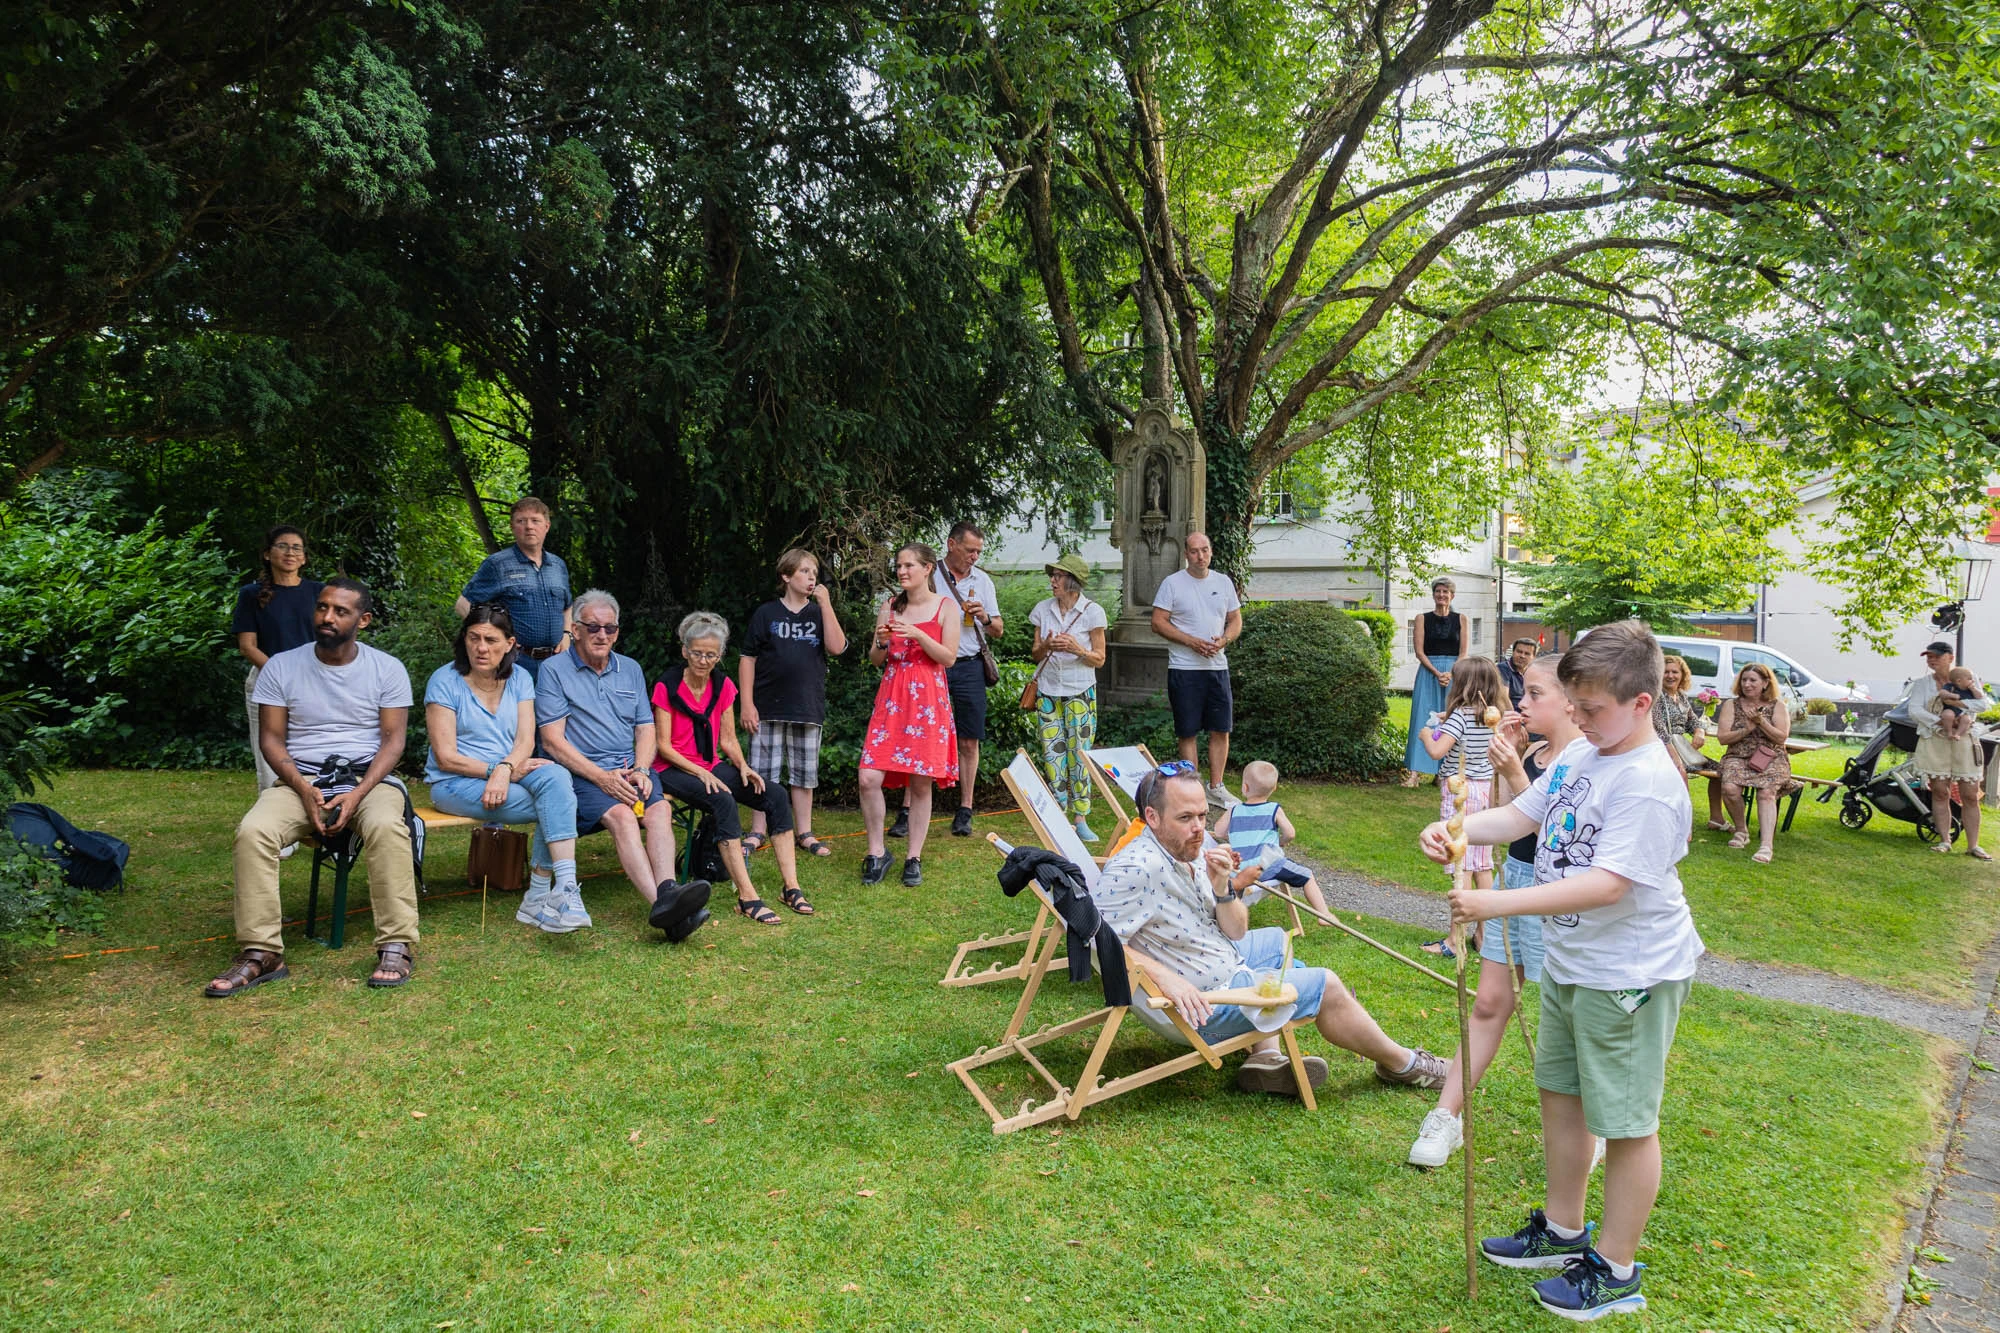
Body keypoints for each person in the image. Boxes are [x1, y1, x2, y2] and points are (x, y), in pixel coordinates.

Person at [1421, 619, 1702, 1320]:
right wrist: (1459, 828)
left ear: (1641, 703)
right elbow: (1523, 814)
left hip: (1629, 974)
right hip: (1575, 964)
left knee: (1626, 1122)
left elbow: (1608, 885)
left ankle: (1616, 1269)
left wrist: (1496, 901)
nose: (1577, 716)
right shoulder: (1584, 756)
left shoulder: (1647, 781)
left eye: (1592, 708)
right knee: (1562, 1095)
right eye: (1572, 704)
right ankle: (1563, 1228)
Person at [1099, 762, 1448, 1096]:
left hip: (1219, 958)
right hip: (1204, 1002)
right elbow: (1098, 940)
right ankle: (1404, 1065)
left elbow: (1236, 931)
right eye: (1185, 818)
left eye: (1203, 816)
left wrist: (1222, 887)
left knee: (1278, 941)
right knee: (1325, 984)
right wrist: (1166, 978)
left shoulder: (1187, 851)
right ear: (1152, 817)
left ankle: (1265, 1056)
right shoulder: (1135, 867)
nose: (1200, 829)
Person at [1409, 653, 1590, 1170]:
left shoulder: (1586, 761)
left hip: (1565, 896)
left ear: (1571, 701)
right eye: (1522, 691)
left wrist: (1510, 768)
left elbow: (1554, 833)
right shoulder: (1532, 752)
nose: (1518, 701)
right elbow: (1514, 820)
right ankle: (1446, 1116)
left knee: (1572, 1018)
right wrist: (1455, 828)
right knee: (1489, 1003)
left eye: (1534, 693)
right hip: (1519, 877)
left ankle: (1593, 1128)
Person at [208, 578, 419, 995]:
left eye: (341, 611)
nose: (327, 617)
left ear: (363, 620)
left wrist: (357, 793)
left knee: (386, 827)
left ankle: (396, 944)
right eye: (322, 607)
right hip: (300, 780)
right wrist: (303, 788)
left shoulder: (387, 668)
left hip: (368, 779)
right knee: (254, 831)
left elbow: (394, 742)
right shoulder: (282, 666)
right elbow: (271, 739)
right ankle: (262, 952)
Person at [536, 589, 712, 942]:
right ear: (575, 629)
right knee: (622, 817)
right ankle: (664, 906)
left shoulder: (630, 668)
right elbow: (553, 741)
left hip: (631, 770)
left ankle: (668, 894)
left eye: (610, 628)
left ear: (617, 632)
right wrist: (601, 777)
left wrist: (643, 769)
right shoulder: (553, 670)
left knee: (660, 811)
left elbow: (645, 728)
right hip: (581, 774)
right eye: (593, 627)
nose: (602, 635)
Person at [425, 603, 589, 934]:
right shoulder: (444, 681)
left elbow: (526, 740)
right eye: (474, 638)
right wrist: (497, 771)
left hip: (511, 771)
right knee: (556, 803)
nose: (481, 648)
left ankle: (562, 888)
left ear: (510, 643)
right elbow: (446, 757)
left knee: (557, 777)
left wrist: (505, 769)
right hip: (455, 782)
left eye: (491, 640)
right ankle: (540, 897)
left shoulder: (520, 678)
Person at [653, 612, 813, 922]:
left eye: (711, 655)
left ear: (720, 655)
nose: (703, 660)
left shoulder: (723, 685)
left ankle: (791, 887)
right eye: (697, 653)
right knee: (723, 800)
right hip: (671, 768)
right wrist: (700, 772)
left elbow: (727, 739)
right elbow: (663, 746)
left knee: (775, 794)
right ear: (685, 651)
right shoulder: (667, 684)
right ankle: (747, 897)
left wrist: (743, 766)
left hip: (709, 764)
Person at [860, 543, 961, 886]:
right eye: (899, 566)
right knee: (868, 777)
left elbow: (949, 658)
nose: (901, 571)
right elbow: (876, 659)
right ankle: (877, 851)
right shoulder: (890, 606)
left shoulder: (946, 607)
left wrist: (918, 634)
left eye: (908, 566)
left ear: (928, 568)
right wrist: (880, 642)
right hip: (892, 699)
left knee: (920, 783)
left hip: (928, 703)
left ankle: (913, 857)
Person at [893, 521, 1002, 840]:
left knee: (969, 739)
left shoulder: (982, 581)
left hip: (968, 666)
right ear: (951, 544)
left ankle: (965, 808)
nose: (974, 556)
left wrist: (984, 617)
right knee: (918, 735)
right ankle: (907, 808)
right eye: (970, 550)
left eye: (978, 551)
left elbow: (998, 629)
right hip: (930, 665)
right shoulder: (929, 575)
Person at [739, 549, 849, 859]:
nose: (811, 577)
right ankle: (758, 830)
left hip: (806, 705)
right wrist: (747, 703)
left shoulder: (818, 612)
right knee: (762, 773)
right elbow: (748, 659)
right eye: (804, 571)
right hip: (767, 706)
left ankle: (805, 833)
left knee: (804, 774)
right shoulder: (766, 613)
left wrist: (826, 604)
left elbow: (837, 647)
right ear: (786, 576)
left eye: (814, 572)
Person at [1419, 656, 1505, 954]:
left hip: (1460, 791)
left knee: (1462, 865)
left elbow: (1437, 751)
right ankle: (1483, 936)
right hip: (1485, 790)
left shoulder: (1460, 717)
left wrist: (1427, 736)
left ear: (1463, 685)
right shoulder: (1492, 716)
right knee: (1483, 864)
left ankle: (1455, 940)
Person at [1150, 531, 1243, 807]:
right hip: (1184, 668)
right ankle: (1194, 789)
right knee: (1187, 731)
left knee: (1221, 729)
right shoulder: (1172, 583)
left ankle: (1216, 787)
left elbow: (1235, 620)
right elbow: (1158, 622)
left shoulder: (1223, 582)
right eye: (1194, 551)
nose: (1200, 556)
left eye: (1204, 550)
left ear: (1211, 551)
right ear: (1186, 555)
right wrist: (1191, 642)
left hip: (1217, 667)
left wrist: (1224, 639)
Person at [1027, 552, 1108, 842]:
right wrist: (1047, 645)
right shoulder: (1042, 609)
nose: (1052, 580)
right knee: (1053, 753)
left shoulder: (1093, 612)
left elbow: (1100, 659)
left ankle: (1081, 817)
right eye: (1053, 575)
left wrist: (1077, 649)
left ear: (1072, 581)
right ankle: (1059, 814)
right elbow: (1035, 653)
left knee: (1079, 755)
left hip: (1080, 692)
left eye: (1058, 576)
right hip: (1048, 692)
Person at [454, 496, 572, 681]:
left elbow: (567, 605)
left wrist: (567, 634)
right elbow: (462, 605)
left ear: (546, 526)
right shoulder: (497, 564)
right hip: (515, 661)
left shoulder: (558, 565)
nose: (529, 527)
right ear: (512, 527)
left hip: (556, 661)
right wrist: (494, 636)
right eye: (521, 521)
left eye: (535, 521)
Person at [1213, 760, 1331, 920]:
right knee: (1307, 876)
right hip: (1268, 866)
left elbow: (1218, 832)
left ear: (1245, 787)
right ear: (1274, 788)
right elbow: (1290, 833)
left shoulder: (1234, 810)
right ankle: (1324, 914)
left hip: (1240, 871)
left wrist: (1235, 836)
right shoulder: (1274, 809)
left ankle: (1225, 919)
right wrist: (1281, 842)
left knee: (1233, 889)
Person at [1910, 641, 1991, 859]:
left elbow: (1983, 704)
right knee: (1940, 791)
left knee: (1970, 794)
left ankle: (1973, 845)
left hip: (1964, 738)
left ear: (1950, 657)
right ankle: (1945, 840)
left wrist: (1957, 707)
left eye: (1936, 656)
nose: (1932, 660)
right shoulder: (1922, 684)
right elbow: (1914, 710)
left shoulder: (1967, 677)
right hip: (1936, 738)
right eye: (1929, 657)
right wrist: (1940, 721)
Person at [1715, 662, 1792, 865]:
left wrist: (1761, 722)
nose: (1747, 684)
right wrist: (1747, 729)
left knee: (1766, 792)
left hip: (1770, 757)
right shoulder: (1731, 705)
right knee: (1729, 787)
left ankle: (1766, 846)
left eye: (1753, 680)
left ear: (1765, 683)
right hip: (1738, 756)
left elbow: (1781, 737)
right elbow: (1722, 738)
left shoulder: (1777, 705)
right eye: (1744, 680)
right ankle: (1741, 831)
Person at [1403, 577, 1468, 787]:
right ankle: (1414, 774)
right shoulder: (1422, 619)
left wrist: (1450, 673)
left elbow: (1463, 653)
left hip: (1454, 673)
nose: (1441, 595)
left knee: (1450, 719)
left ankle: (1443, 773)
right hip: (1428, 671)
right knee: (1422, 717)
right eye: (1438, 591)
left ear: (1452, 595)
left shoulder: (1461, 619)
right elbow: (1419, 651)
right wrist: (1436, 672)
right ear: (1433, 595)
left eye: (1445, 591)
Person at [1653, 653, 1717, 836]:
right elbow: (1659, 730)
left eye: (1675, 672)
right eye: (1666, 672)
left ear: (1682, 675)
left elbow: (1693, 721)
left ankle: (1717, 819)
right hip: (1664, 748)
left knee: (1720, 772)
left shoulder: (1681, 696)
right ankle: (1683, 827)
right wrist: (1675, 758)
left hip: (1683, 749)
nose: (1670, 676)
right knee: (1680, 774)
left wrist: (1699, 731)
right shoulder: (1657, 696)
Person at [1937, 665, 1985, 741]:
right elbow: (1942, 693)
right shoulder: (1950, 686)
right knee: (1947, 715)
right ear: (1959, 681)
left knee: (1967, 719)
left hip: (1963, 713)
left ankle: (1958, 734)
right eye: (1969, 679)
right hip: (1950, 710)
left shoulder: (1970, 690)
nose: (1972, 681)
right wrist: (1951, 695)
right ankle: (1949, 732)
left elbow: (1980, 697)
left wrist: (1973, 689)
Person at [1498, 638, 1536, 712]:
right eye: (1519, 652)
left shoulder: (1533, 671)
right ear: (1513, 652)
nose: (1522, 656)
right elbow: (1504, 697)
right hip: (1513, 714)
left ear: (1533, 657)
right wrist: (1514, 716)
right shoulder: (1503, 668)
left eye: (1527, 654)